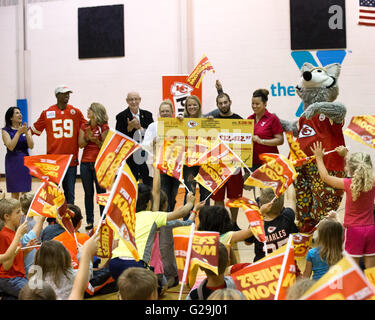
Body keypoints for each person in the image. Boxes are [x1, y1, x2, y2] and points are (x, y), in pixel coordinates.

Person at [108, 183, 196, 281]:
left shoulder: (123, 218)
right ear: (149, 203)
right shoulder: (152, 216)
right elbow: (182, 213)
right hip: (136, 264)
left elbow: (114, 246)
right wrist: (190, 203)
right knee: (152, 289)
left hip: (115, 264)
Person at [311, 142, 375, 269]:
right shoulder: (372, 183)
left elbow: (325, 177)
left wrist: (319, 158)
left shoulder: (348, 184)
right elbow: (358, 165)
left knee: (353, 270)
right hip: (371, 229)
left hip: (354, 231)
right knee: (371, 272)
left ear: (349, 168)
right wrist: (346, 155)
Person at [31, 85, 86, 205]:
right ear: (57, 95)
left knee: (70, 194)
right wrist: (22, 134)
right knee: (52, 193)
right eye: (64, 93)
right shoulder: (47, 113)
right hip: (53, 162)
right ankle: (52, 220)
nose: (67, 95)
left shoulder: (75, 112)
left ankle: (70, 220)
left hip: (70, 160)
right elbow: (34, 130)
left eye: (68, 93)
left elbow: (87, 126)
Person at [207, 84, 244, 229]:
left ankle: (234, 224)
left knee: (235, 198)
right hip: (217, 166)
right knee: (218, 199)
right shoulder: (213, 119)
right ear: (217, 105)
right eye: (220, 103)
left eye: (225, 102)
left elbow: (246, 144)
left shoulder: (240, 120)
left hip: (235, 166)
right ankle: (221, 224)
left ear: (230, 103)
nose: (223, 105)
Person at [0, 198, 44, 298]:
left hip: (17, 276)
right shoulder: (4, 236)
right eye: (17, 212)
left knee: (39, 288)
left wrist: (26, 251)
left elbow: (15, 260)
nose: (21, 214)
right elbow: (6, 266)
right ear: (7, 216)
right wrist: (18, 235)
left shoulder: (13, 233)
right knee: (36, 295)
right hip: (9, 278)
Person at [143, 99, 180, 212]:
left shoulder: (179, 125)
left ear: (172, 112)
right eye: (162, 111)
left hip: (176, 166)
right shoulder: (153, 126)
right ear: (159, 112)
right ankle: (166, 220)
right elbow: (144, 145)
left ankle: (169, 214)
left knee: (173, 195)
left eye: (167, 111)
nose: (165, 113)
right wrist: (153, 142)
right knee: (164, 194)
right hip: (161, 167)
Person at [245, 188, 299, 262]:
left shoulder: (257, 225)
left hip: (264, 269)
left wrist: (259, 213)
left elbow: (247, 242)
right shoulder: (288, 216)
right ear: (282, 205)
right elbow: (291, 200)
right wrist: (289, 184)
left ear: (261, 206)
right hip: (285, 265)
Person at [78, 103, 109, 230]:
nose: (88, 110)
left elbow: (105, 146)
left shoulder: (104, 126)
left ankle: (103, 218)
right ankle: (90, 220)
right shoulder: (84, 126)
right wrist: (87, 138)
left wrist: (95, 140)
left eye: (90, 109)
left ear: (96, 112)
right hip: (85, 162)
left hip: (99, 163)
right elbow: (80, 144)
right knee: (88, 193)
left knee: (101, 193)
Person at [115, 91, 154, 187]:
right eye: (131, 99)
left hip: (145, 154)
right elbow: (118, 137)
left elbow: (152, 133)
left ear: (140, 100)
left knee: (148, 182)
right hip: (130, 155)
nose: (134, 102)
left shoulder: (148, 115)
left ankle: (149, 201)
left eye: (136, 99)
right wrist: (129, 129)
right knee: (131, 182)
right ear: (127, 101)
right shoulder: (121, 116)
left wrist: (141, 129)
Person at [179, 95, 210, 207]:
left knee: (206, 195)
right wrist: (178, 123)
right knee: (190, 193)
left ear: (199, 106)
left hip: (205, 163)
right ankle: (188, 221)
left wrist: (212, 123)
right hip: (189, 163)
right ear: (186, 107)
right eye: (189, 105)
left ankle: (206, 221)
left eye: (194, 104)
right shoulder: (182, 121)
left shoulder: (207, 120)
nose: (192, 107)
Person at [247, 89, 284, 171]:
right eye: (252, 103)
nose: (254, 106)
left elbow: (280, 140)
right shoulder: (249, 119)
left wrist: (261, 141)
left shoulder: (272, 118)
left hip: (269, 162)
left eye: (257, 104)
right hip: (253, 163)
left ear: (265, 103)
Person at [2, 106, 34, 199]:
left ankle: (25, 212)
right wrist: (18, 133)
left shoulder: (26, 129)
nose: (20, 114)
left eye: (20, 112)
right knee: (15, 192)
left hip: (25, 160)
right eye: (17, 113)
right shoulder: (5, 131)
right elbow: (11, 146)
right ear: (11, 117)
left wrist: (27, 133)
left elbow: (31, 146)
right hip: (13, 161)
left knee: (26, 192)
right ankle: (15, 212)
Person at [53, 204, 90, 270]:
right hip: (83, 275)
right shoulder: (86, 238)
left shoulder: (54, 241)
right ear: (80, 223)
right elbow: (90, 262)